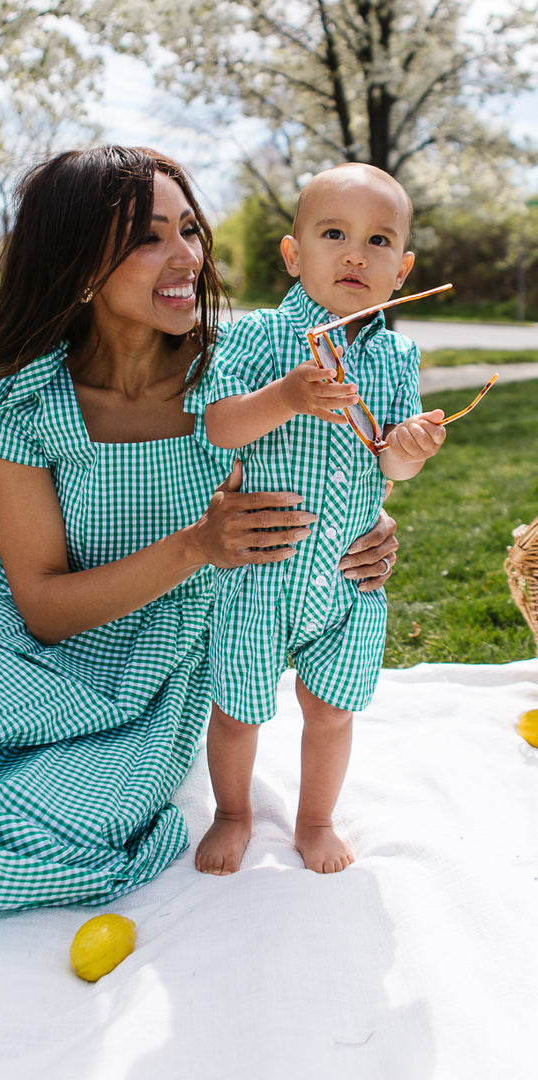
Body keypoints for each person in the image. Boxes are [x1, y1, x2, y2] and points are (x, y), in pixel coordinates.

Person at [0, 148, 398, 914]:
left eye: (189, 229)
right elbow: (44, 610)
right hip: (31, 637)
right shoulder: (27, 403)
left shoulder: (244, 375)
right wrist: (199, 543)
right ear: (78, 262)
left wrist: (374, 522)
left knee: (53, 823)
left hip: (159, 661)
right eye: (147, 237)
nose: (186, 255)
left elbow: (336, 462)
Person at [185, 163, 446, 878]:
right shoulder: (259, 340)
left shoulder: (395, 357)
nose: (356, 254)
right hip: (261, 574)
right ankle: (233, 813)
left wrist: (409, 450)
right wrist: (288, 397)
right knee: (239, 709)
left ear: (404, 269)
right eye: (335, 234)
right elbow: (219, 426)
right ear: (294, 254)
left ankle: (315, 819)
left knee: (330, 710)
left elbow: (389, 462)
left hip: (344, 577)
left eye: (379, 241)